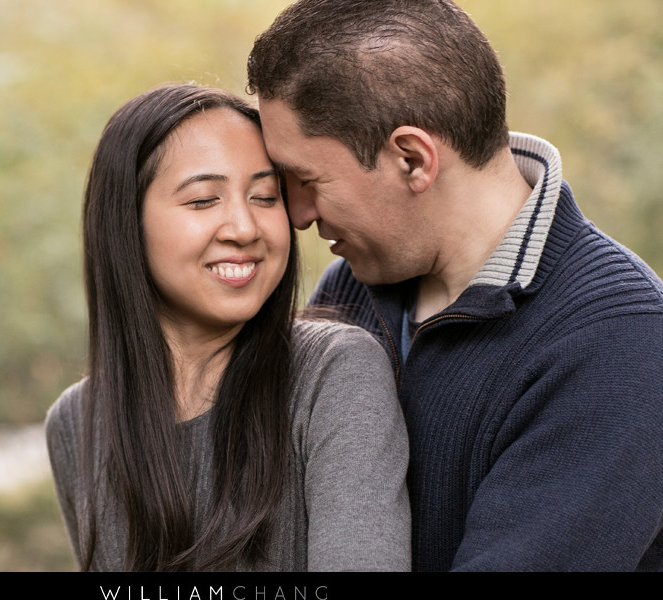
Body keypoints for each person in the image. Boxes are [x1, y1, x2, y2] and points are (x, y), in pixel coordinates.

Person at [247, 0, 663, 572]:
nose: (296, 215)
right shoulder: (352, 290)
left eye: (307, 180)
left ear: (413, 159)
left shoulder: (621, 342)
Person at [44, 84, 411, 571]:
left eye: (265, 196)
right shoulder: (76, 422)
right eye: (202, 201)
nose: (244, 227)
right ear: (124, 224)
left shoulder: (334, 372)